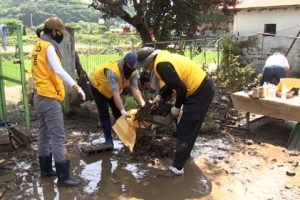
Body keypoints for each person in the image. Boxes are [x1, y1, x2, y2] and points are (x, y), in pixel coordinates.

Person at [134, 47, 215, 176]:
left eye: (145, 65)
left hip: (200, 91)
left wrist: (177, 107)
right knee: (187, 127)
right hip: (200, 88)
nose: (145, 68)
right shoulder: (162, 59)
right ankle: (184, 154)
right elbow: (172, 85)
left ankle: (177, 168)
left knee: (186, 127)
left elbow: (181, 88)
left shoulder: (161, 66)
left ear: (150, 60)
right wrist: (161, 96)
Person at [31, 17, 85, 186]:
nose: (62, 36)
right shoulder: (49, 48)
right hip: (49, 97)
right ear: (54, 32)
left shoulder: (38, 45)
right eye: (61, 33)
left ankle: (46, 170)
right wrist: (76, 86)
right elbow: (58, 69)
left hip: (39, 95)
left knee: (44, 135)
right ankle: (63, 177)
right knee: (58, 137)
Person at [90, 52, 146, 148]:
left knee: (118, 114)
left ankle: (125, 139)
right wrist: (123, 110)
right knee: (104, 113)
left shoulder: (133, 71)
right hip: (98, 87)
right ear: (125, 62)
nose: (132, 68)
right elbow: (116, 95)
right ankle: (108, 140)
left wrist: (143, 103)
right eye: (131, 66)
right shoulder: (113, 71)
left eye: (134, 67)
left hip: (112, 90)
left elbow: (135, 89)